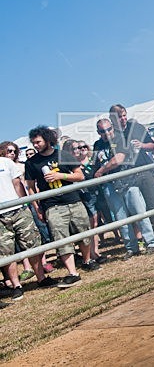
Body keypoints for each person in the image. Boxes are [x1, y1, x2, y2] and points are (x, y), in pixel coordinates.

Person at [24, 126, 98, 288]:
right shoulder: (31, 163)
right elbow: (30, 188)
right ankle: (73, 273)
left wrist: (60, 175)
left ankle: (87, 261)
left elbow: (80, 176)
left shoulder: (63, 155)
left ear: (47, 140)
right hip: (52, 205)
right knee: (61, 239)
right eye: (33, 143)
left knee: (84, 233)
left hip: (74, 200)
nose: (35, 145)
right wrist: (37, 207)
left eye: (38, 142)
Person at [92, 119, 154, 258]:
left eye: (109, 129)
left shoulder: (121, 139)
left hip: (128, 181)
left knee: (139, 212)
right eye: (102, 131)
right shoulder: (97, 145)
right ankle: (131, 248)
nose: (107, 133)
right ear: (98, 132)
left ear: (113, 128)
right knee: (121, 218)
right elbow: (94, 163)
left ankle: (150, 243)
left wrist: (101, 171)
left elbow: (118, 159)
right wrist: (95, 173)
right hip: (109, 185)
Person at [109, 104, 154, 241]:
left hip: (144, 169)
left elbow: (152, 145)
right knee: (134, 209)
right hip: (126, 176)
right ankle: (141, 239)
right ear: (112, 118)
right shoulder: (111, 134)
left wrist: (142, 145)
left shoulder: (136, 127)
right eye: (119, 117)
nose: (123, 119)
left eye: (124, 115)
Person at [0, 150, 58, 299]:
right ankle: (16, 286)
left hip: (18, 210)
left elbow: (17, 184)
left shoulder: (6, 162)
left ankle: (41, 278)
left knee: (32, 244)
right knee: (6, 251)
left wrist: (25, 205)